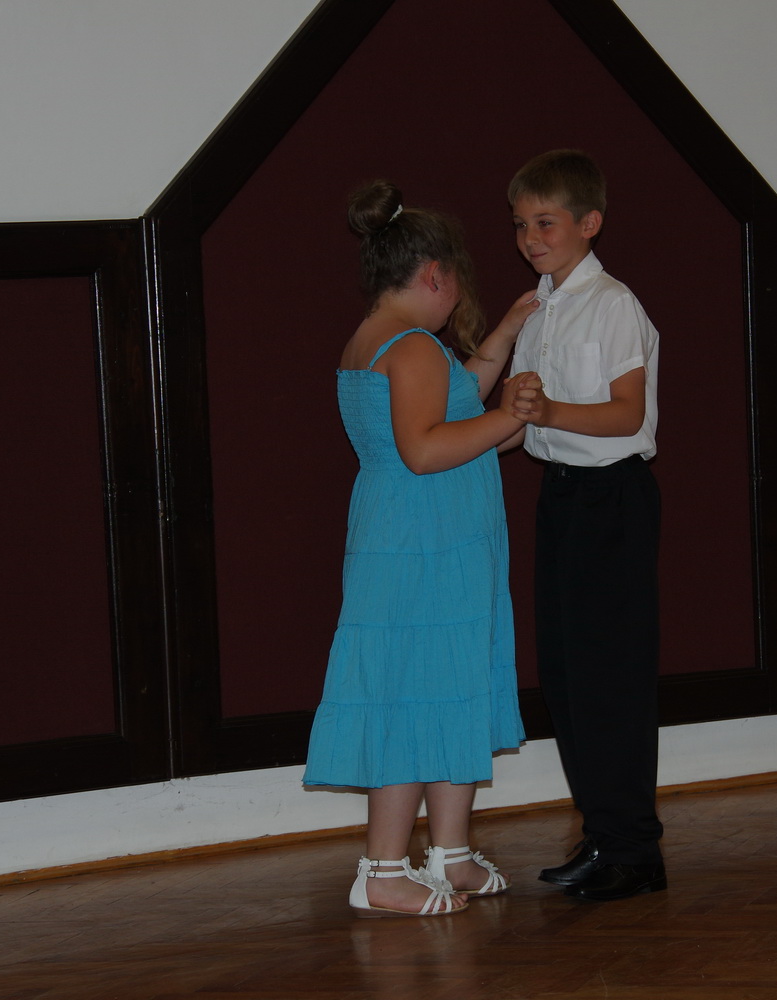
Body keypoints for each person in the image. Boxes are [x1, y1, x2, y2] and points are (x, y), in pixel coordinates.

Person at [304, 179, 541, 918]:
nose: (459, 294)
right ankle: (382, 870)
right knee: (410, 688)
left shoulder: (383, 339)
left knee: (446, 679)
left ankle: (451, 853)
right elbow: (426, 448)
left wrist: (503, 337)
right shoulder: (410, 348)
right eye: (458, 279)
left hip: (425, 536)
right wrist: (510, 417)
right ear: (435, 274)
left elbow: (455, 398)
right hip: (422, 540)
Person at [506, 150, 665, 902]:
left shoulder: (613, 303)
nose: (530, 238)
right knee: (568, 678)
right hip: (562, 496)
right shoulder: (538, 306)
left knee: (611, 676)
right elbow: (526, 418)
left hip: (611, 499)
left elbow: (626, 414)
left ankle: (634, 850)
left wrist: (550, 410)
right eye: (520, 225)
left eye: (545, 222)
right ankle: (602, 833)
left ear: (589, 222)